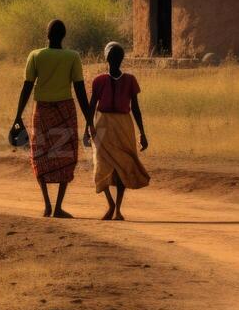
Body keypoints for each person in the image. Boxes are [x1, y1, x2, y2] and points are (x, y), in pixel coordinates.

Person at [15, 20, 91, 218]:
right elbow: (80, 90)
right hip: (65, 110)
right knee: (67, 156)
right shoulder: (72, 57)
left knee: (40, 155)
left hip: (42, 111)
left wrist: (17, 115)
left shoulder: (36, 55)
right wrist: (89, 119)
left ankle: (47, 205)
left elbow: (27, 87)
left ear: (47, 35)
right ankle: (58, 207)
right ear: (64, 35)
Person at [89, 42, 150, 221]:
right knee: (102, 164)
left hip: (123, 125)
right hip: (103, 123)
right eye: (112, 57)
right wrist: (89, 127)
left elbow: (136, 109)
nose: (114, 60)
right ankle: (112, 205)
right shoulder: (99, 80)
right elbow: (92, 106)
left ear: (121, 59)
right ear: (107, 59)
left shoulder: (130, 80)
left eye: (117, 57)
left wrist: (142, 133)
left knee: (122, 165)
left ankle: (117, 209)